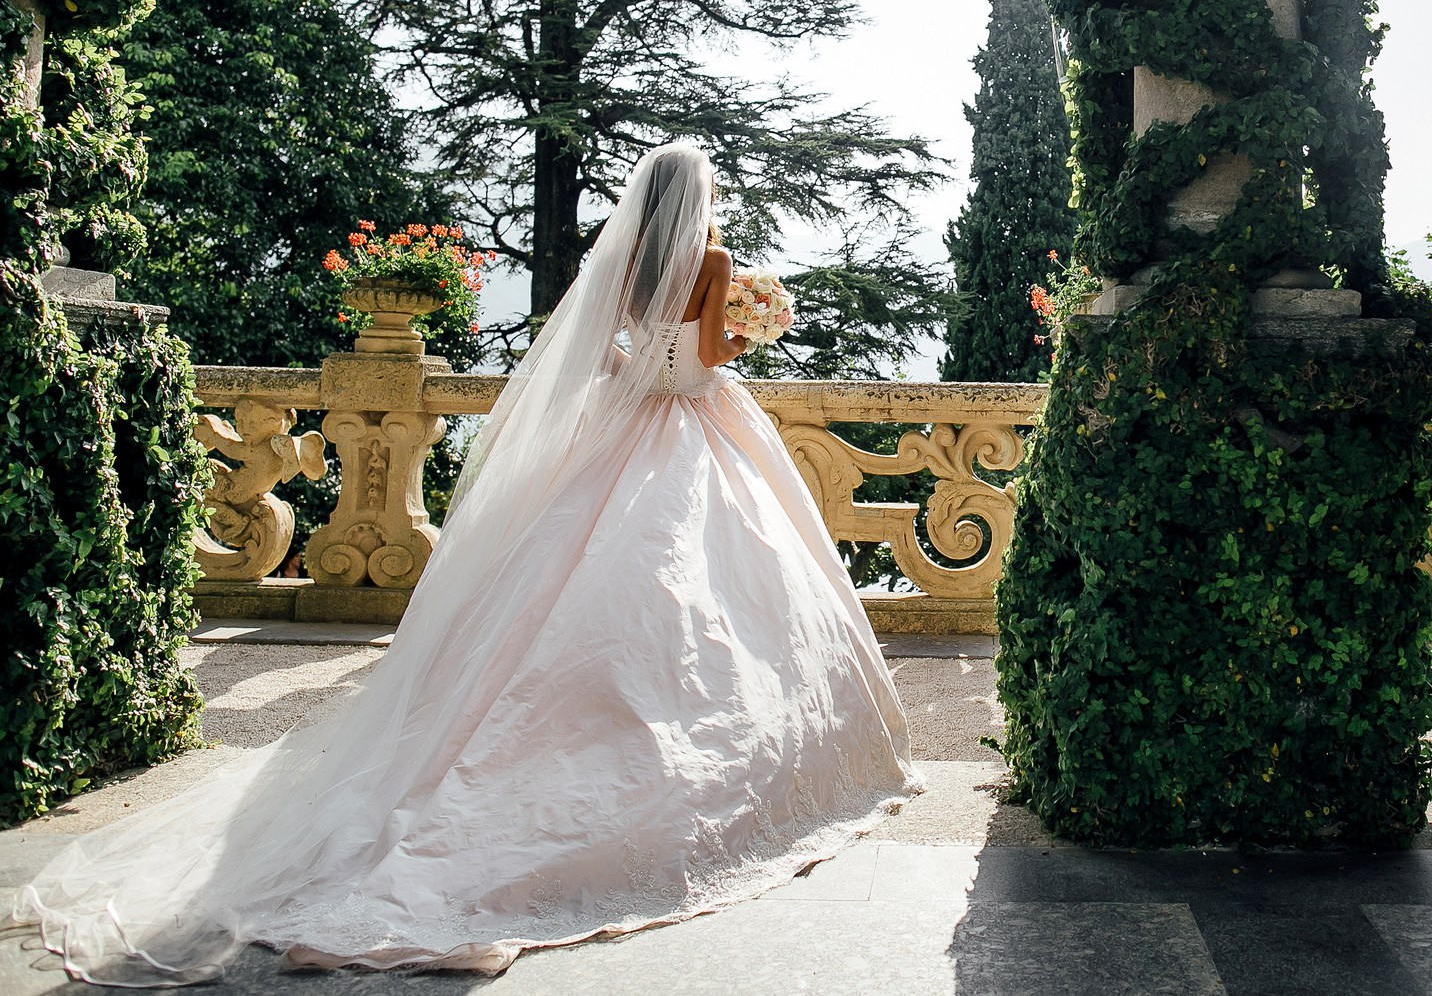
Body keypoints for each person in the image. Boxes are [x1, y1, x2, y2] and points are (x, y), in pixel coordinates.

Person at [10, 142, 920, 985]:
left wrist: (661, 350)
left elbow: (613, 353)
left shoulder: (632, 260)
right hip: (690, 433)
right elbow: (706, 359)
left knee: (555, 593)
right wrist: (753, 323)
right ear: (700, 200)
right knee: (702, 603)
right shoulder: (713, 264)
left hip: (618, 438)